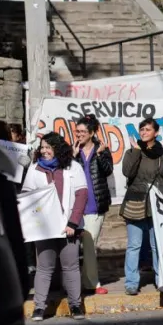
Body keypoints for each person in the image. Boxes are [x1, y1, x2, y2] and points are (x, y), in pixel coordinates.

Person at [23, 133, 88, 321]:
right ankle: (39, 307)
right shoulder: (35, 168)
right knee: (44, 267)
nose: (44, 151)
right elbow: (27, 196)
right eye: (42, 147)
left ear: (57, 148)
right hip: (45, 228)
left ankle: (75, 305)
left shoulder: (73, 167)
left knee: (71, 267)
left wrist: (73, 222)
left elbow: (82, 195)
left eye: (48, 147)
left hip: (69, 226)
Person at [121, 117, 163, 295]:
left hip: (156, 203)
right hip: (135, 202)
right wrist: (135, 152)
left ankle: (161, 280)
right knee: (134, 245)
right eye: (142, 129)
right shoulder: (133, 151)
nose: (144, 132)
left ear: (156, 132)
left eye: (148, 129)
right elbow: (127, 172)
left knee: (157, 245)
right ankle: (131, 282)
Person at [73, 115, 113, 295]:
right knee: (73, 247)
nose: (79, 134)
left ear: (91, 133)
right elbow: (67, 174)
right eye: (77, 131)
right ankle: (74, 283)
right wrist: (73, 157)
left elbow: (108, 170)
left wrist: (100, 154)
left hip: (94, 204)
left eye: (82, 131)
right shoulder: (73, 151)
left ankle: (91, 283)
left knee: (89, 243)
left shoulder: (101, 149)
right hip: (75, 205)